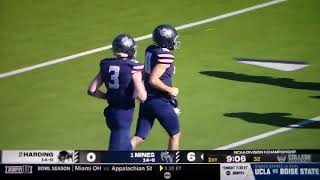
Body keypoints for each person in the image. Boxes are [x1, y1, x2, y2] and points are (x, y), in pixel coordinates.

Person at [87, 34, 147, 150]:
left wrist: (108, 96)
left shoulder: (106, 64)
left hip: (110, 113)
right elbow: (142, 96)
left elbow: (91, 90)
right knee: (116, 153)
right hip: (123, 115)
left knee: (124, 148)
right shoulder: (133, 67)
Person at [131, 24, 181, 150]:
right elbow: (153, 79)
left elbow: (147, 72)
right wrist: (171, 90)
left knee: (139, 136)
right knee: (175, 134)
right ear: (166, 40)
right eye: (173, 38)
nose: (175, 41)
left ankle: (118, 158)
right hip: (160, 101)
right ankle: (173, 166)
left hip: (146, 100)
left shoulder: (151, 49)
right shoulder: (166, 56)